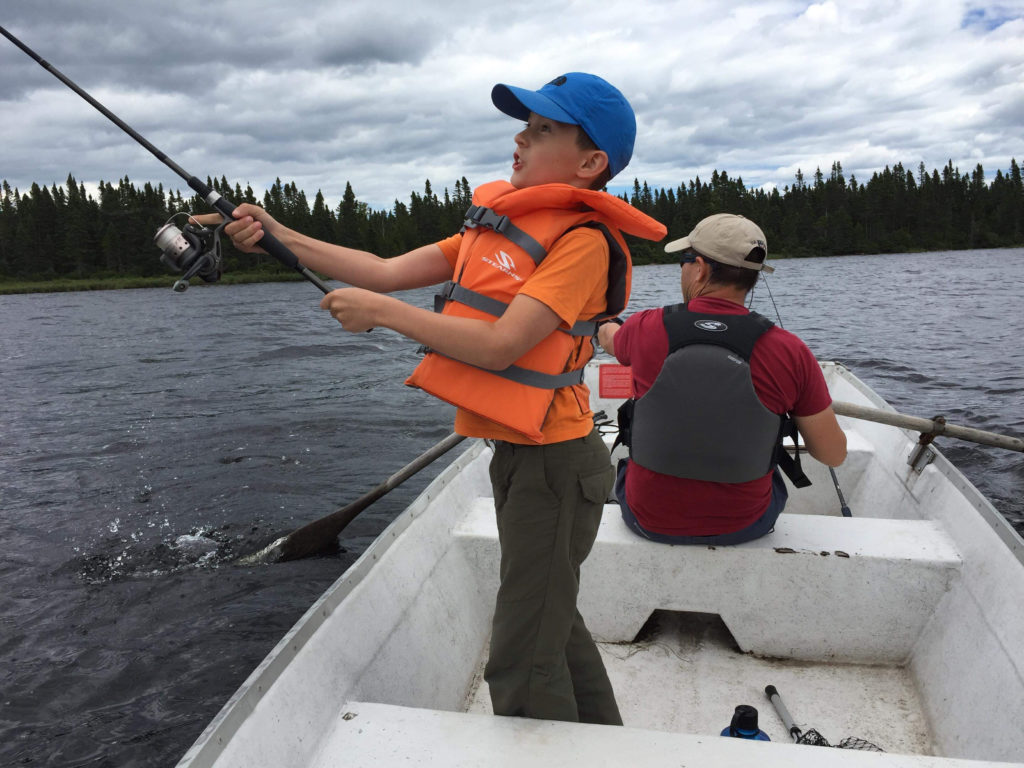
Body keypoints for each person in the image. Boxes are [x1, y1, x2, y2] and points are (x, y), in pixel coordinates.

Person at [202, 73, 666, 724]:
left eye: (542, 130)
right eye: (524, 125)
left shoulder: (581, 243)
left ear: (591, 163)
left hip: (556, 468)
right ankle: (603, 742)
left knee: (520, 657)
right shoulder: (500, 227)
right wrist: (278, 231)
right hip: (521, 457)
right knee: (550, 627)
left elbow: (503, 344)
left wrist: (385, 315)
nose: (520, 138)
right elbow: (385, 271)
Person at [597, 213, 846, 545]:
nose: (682, 271)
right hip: (746, 525)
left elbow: (612, 339)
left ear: (699, 267)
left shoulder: (644, 328)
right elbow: (832, 455)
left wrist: (603, 323)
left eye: (684, 261)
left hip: (647, 519)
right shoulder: (791, 350)